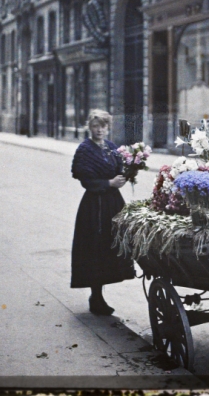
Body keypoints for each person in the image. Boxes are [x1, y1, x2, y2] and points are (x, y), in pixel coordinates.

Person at [70, 109, 135, 315]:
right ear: (90, 127)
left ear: (108, 128)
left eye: (103, 126)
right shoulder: (85, 150)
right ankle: (95, 296)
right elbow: (85, 181)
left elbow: (120, 169)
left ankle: (100, 294)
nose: (100, 130)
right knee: (95, 248)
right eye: (96, 126)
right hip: (94, 206)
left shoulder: (111, 147)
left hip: (113, 203)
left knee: (112, 243)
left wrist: (126, 175)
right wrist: (109, 182)